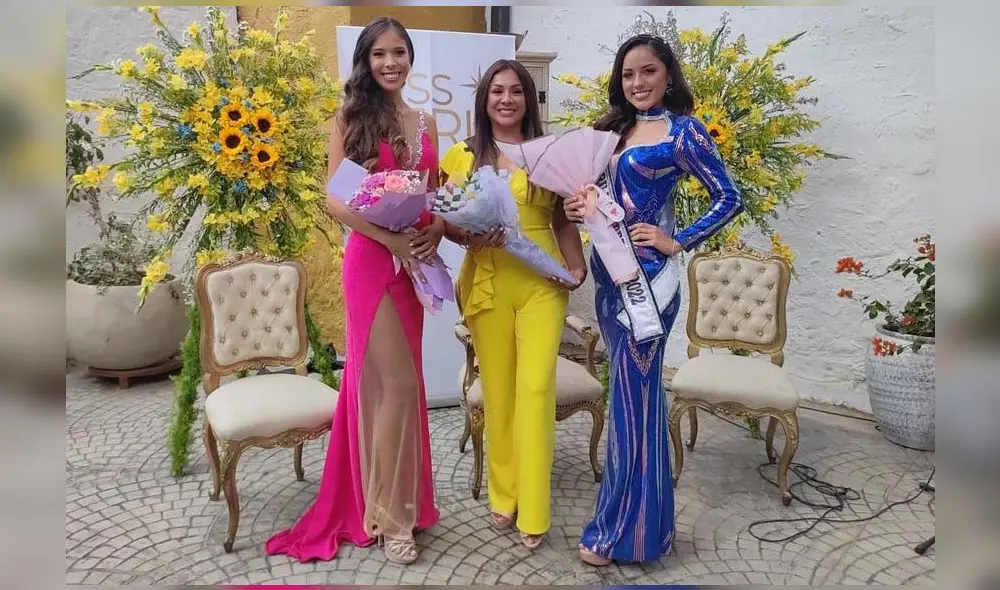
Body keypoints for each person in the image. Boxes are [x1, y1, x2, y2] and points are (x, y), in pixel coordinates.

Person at [266, 17, 443, 565]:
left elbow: (434, 193)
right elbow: (336, 200)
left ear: (410, 59)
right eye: (379, 54)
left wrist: (435, 230)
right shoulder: (349, 119)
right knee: (398, 386)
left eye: (399, 53)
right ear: (365, 62)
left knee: (403, 384)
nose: (391, 63)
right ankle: (390, 517)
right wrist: (389, 239)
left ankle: (400, 500)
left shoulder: (426, 122)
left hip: (413, 264)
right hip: (371, 262)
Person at [563, 33, 744, 566]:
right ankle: (644, 527)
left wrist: (677, 239)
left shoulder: (683, 132)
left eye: (648, 71)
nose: (637, 82)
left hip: (648, 286)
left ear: (667, 75)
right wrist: (578, 208)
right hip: (609, 279)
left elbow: (729, 196)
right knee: (629, 399)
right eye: (628, 74)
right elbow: (597, 198)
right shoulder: (610, 130)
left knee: (635, 402)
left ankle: (623, 531)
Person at [439, 59, 587, 550]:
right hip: (487, 279)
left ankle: (535, 508)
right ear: (484, 100)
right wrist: (469, 235)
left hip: (542, 281)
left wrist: (577, 266)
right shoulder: (462, 155)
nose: (506, 99)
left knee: (537, 389)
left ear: (530, 99)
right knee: (499, 392)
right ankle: (504, 495)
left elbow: (563, 221)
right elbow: (446, 223)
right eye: (497, 91)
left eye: (516, 91)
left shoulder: (549, 154)